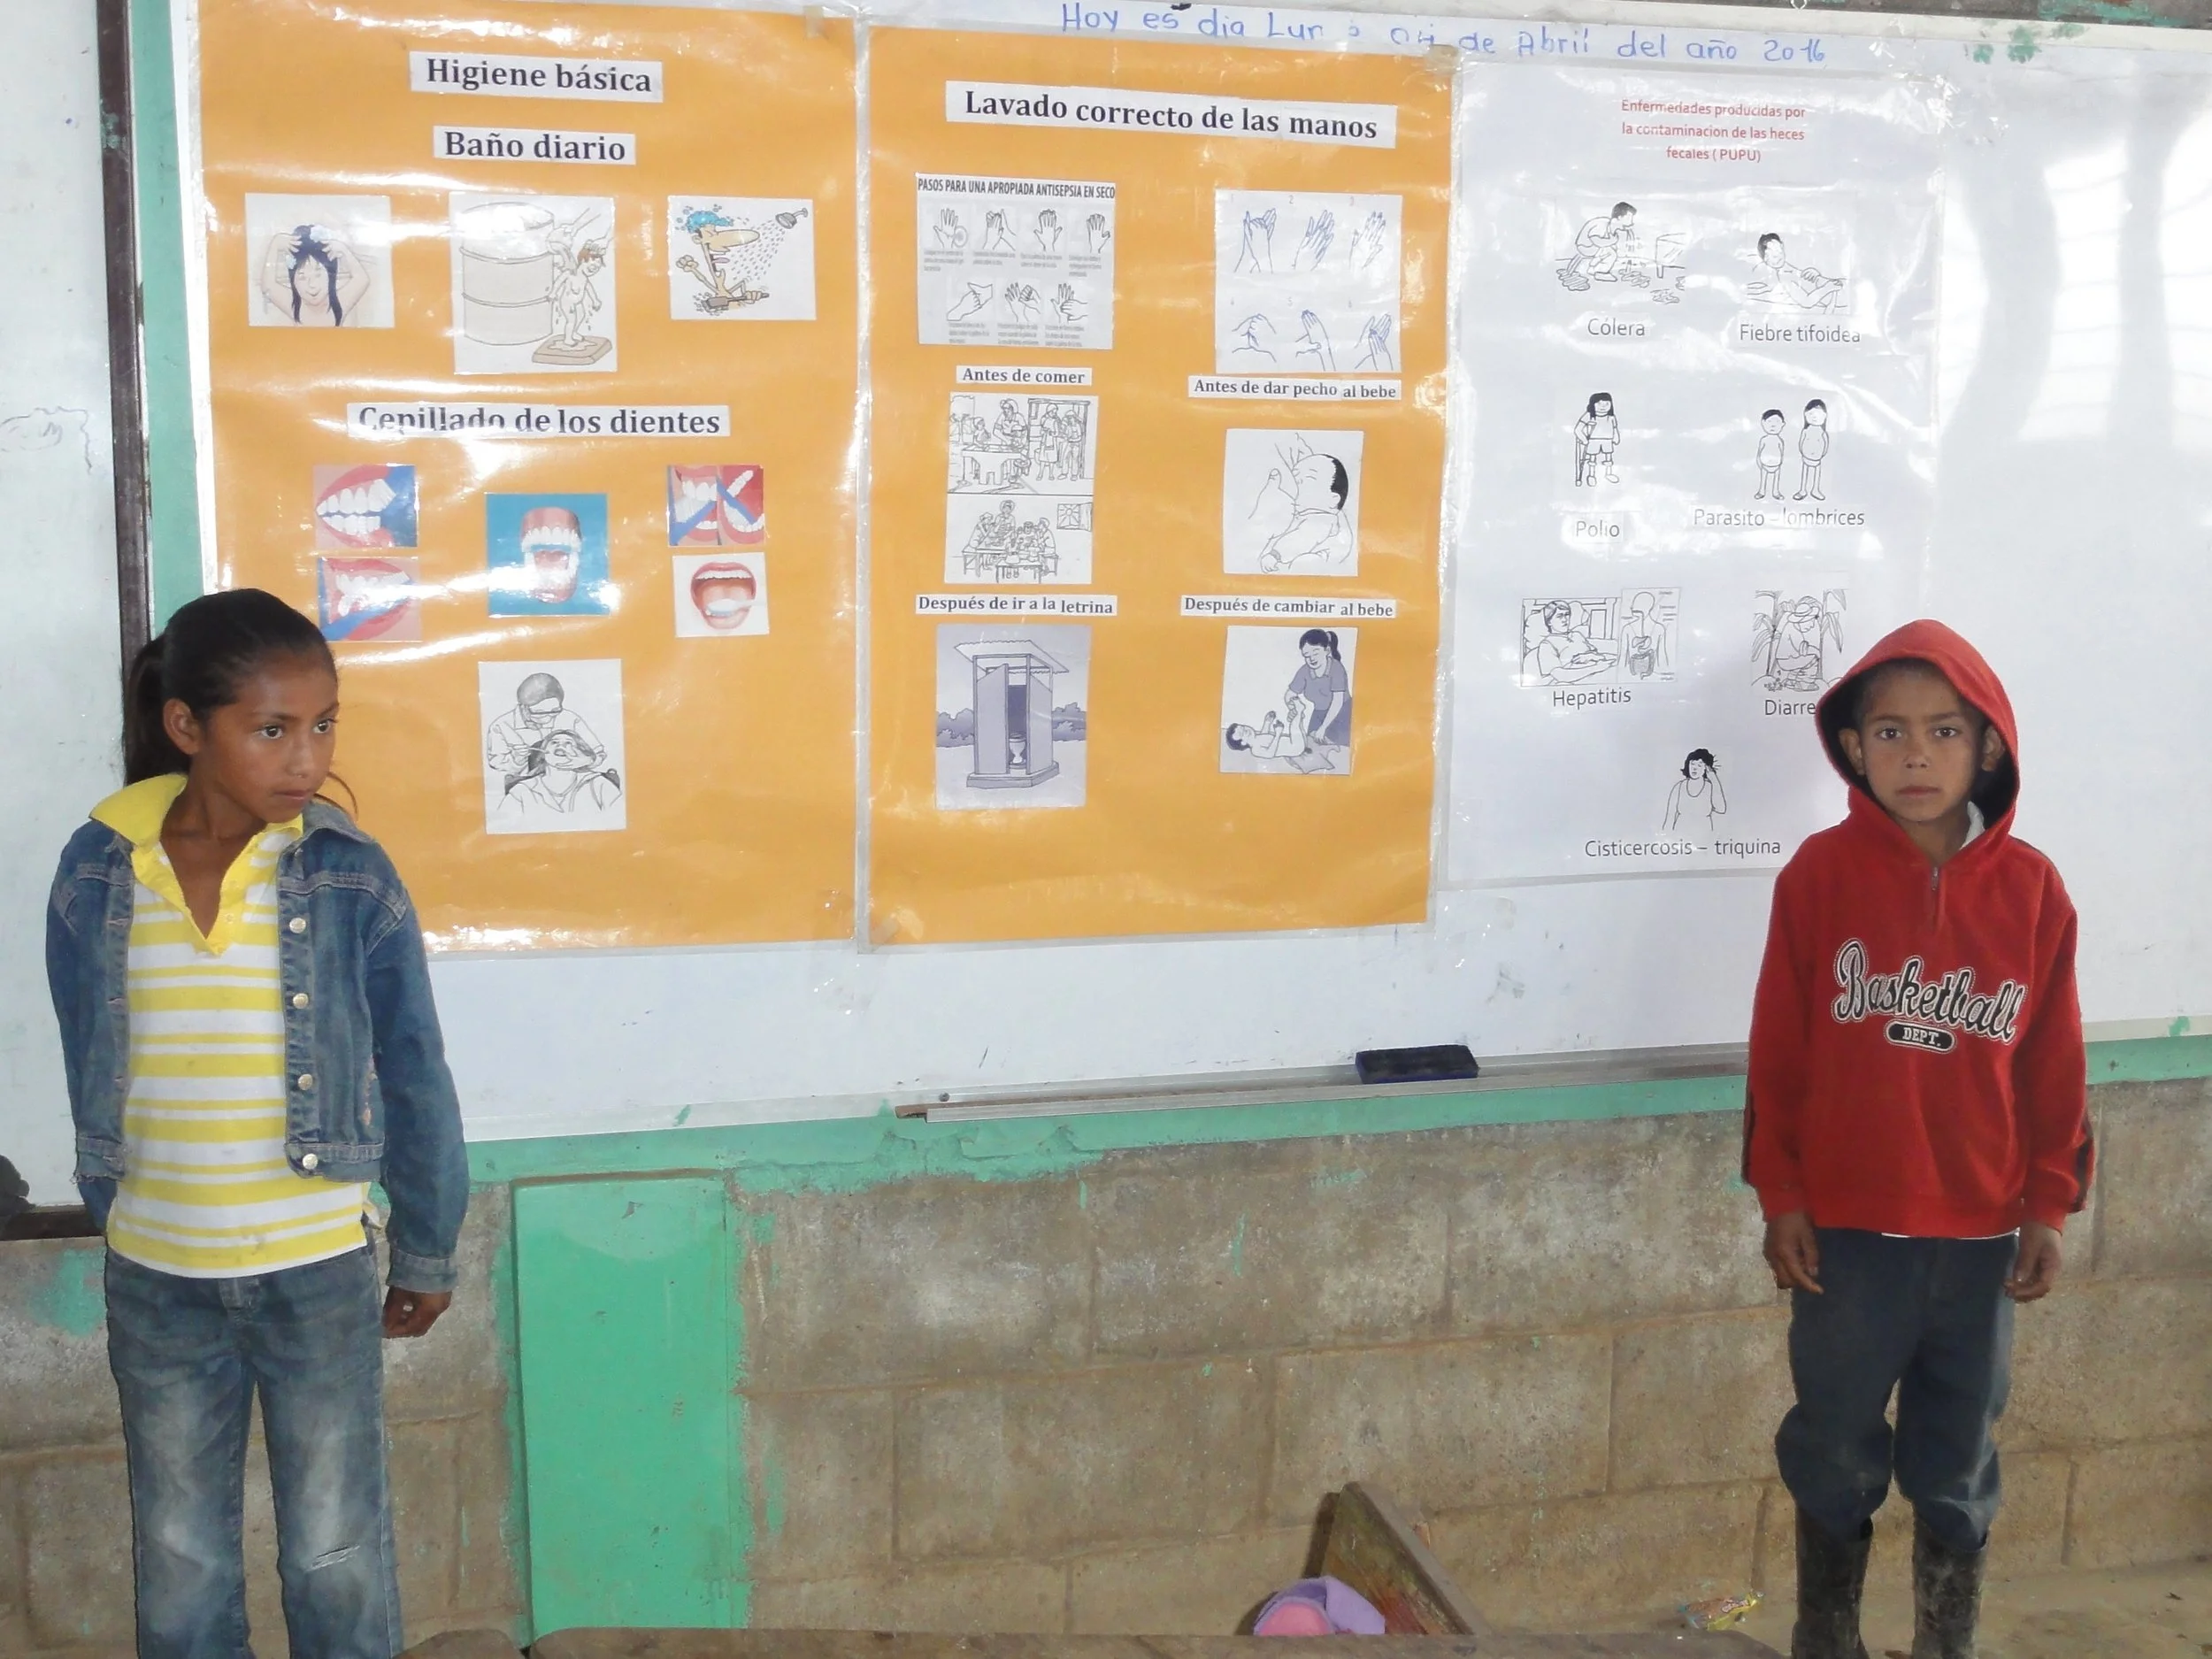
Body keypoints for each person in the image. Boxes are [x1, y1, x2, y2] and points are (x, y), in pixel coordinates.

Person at [45, 588, 467, 1656]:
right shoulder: (98, 870)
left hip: (313, 1270)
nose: (305, 757)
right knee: (180, 1558)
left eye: (324, 725)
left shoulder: (345, 876)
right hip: (158, 1277)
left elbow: (414, 1068)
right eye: (272, 729)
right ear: (187, 727)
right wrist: (115, 1198)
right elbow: (88, 1053)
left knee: (334, 1552)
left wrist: (425, 1243)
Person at [1743, 621, 2092, 1659]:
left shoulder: (2032, 891)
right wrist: (1782, 1198)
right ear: (1851, 749)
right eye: (1887, 732)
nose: (1915, 755)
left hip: (1981, 1240)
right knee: (1835, 1448)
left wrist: (2045, 1206)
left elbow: (2053, 1066)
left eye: (1943, 732)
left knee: (1954, 1456)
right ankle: (1827, 1636)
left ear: (1988, 747)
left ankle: (1947, 1642)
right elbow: (1778, 1055)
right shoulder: (1816, 878)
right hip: (1847, 1238)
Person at [258, 225, 370, 326]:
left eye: (318, 274)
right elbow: (267, 286)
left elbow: (362, 279)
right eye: (302, 277)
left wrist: (344, 250)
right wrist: (275, 243)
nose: (312, 285)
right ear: (293, 281)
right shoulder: (294, 306)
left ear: (331, 274)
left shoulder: (340, 302)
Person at [1286, 629, 1352, 748]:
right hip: (1319, 713)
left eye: (1315, 653)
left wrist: (1323, 728)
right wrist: (1293, 708)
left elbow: (1337, 702)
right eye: (1307, 656)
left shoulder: (1336, 669)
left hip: (1342, 712)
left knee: (1339, 748)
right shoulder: (1304, 671)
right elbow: (1289, 695)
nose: (1311, 659)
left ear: (1326, 650)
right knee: (1310, 745)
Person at [1556, 201, 1637, 290]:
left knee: (1611, 251)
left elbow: (1608, 241)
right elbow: (1596, 240)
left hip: (1591, 247)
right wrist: (1611, 241)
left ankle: (1592, 268)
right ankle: (1600, 272)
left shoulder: (1611, 227)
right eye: (1629, 217)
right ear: (1619, 217)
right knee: (1611, 254)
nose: (1631, 221)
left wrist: (1612, 242)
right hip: (1586, 247)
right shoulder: (1602, 224)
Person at [1662, 748, 1726, 833]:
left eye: (1699, 765)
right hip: (1680, 836)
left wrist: (1714, 778)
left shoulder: (1711, 787)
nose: (1694, 768)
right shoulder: (1679, 787)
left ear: (1706, 768)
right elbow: (1670, 817)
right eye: (1692, 764)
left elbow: (1721, 809)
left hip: (1705, 836)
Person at [1575, 393, 1620, 488]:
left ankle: (1608, 473)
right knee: (1592, 458)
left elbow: (1615, 428)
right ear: (1593, 404)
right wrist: (1584, 440)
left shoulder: (1611, 417)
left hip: (1608, 440)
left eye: (1607, 404)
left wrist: (1616, 437)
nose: (1603, 407)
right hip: (1593, 440)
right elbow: (1578, 429)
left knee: (1608, 458)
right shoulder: (1589, 416)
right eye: (1599, 404)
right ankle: (1591, 475)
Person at [1796, 399, 1832, 502]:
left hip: (1817, 458)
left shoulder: (1822, 433)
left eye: (1818, 414)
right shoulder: (1806, 430)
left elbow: (1826, 446)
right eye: (1811, 414)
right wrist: (1803, 452)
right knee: (1805, 473)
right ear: (1805, 415)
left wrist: (1821, 454)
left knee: (1816, 474)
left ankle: (1815, 490)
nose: (1814, 417)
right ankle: (1803, 490)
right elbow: (1801, 442)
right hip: (1806, 457)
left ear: (1824, 416)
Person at [1755, 409, 1788, 501]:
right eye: (1769, 421)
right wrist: (1759, 462)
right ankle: (1761, 492)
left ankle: (1776, 492)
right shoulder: (1763, 439)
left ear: (1782, 424)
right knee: (1763, 479)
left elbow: (1782, 452)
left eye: (1777, 422)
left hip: (1776, 465)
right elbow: (1759, 451)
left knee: (1776, 479)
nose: (1773, 425)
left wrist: (1780, 462)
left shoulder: (1780, 440)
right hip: (1764, 465)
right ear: (1763, 423)